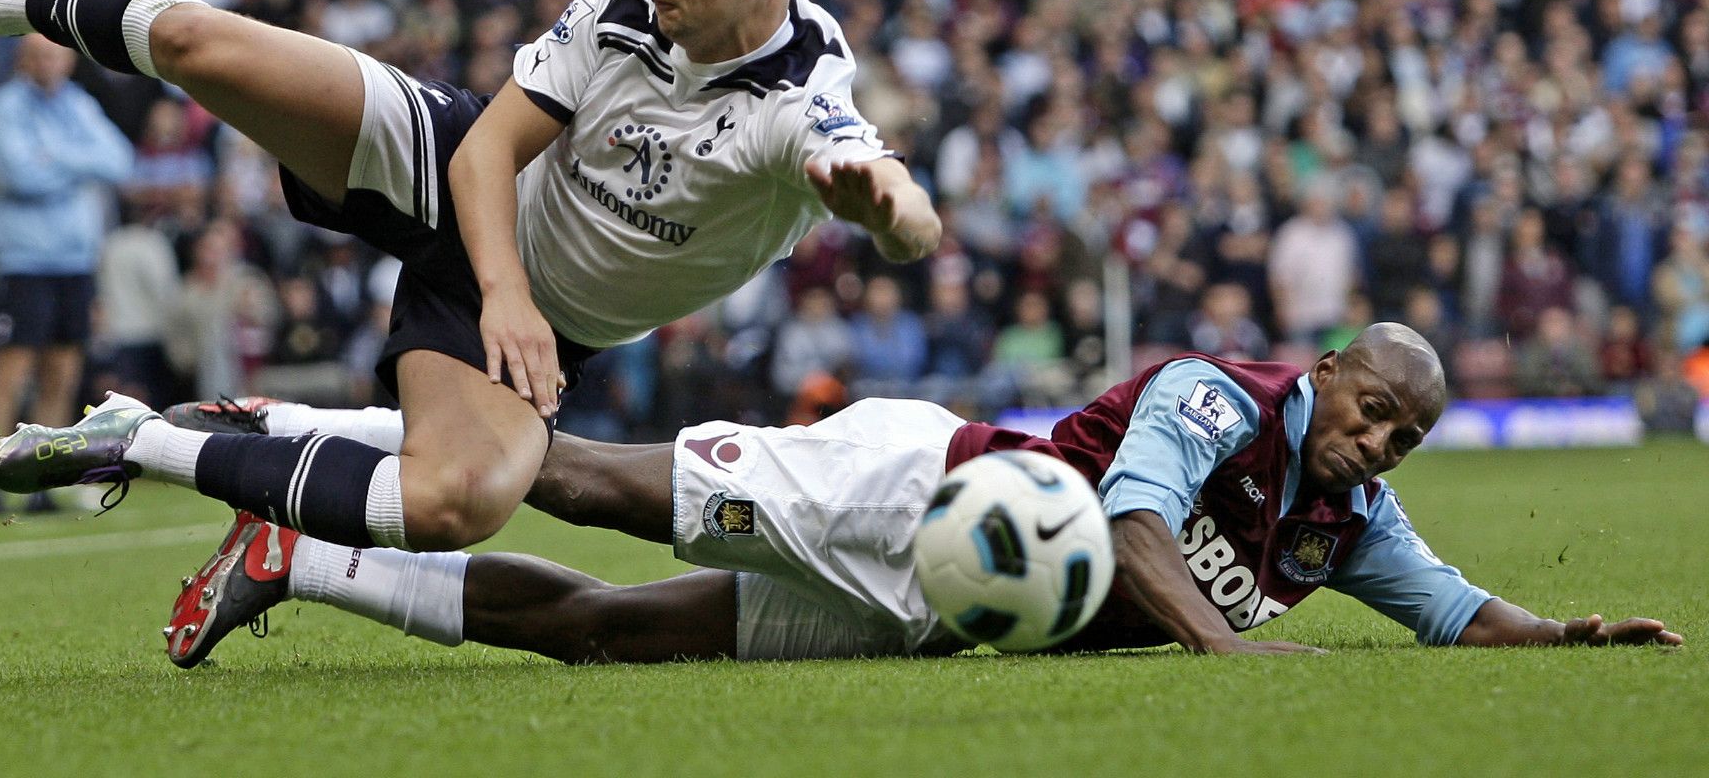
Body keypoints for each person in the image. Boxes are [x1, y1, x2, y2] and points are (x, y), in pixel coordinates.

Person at [0, 0, 940, 555]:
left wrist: (885, 214)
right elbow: (496, 143)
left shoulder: (801, 107)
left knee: (453, 507)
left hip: (544, 322)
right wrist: (504, 288)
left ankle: (142, 441)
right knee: (199, 43)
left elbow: (905, 208)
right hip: (460, 171)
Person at [149, 323, 1679, 668]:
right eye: (1373, 410)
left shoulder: (1350, 523)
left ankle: (303, 555)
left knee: (617, 638)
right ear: (1329, 371)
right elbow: (1135, 522)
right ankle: (289, 425)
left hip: (947, 616)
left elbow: (1453, 610)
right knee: (607, 488)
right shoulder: (1221, 398)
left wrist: (1561, 646)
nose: (1381, 443)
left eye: (1407, 436)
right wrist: (1226, 655)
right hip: (911, 494)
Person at [0, 33, 134, 512]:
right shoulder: (6, 108)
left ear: (67, 60)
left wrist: (55, 155)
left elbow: (120, 161)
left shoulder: (76, 103)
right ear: (25, 59)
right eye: (39, 54)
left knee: (61, 373)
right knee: (12, 369)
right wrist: (78, 162)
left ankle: (42, 479)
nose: (49, 62)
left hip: (74, 258)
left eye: (56, 54)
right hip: (24, 259)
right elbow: (21, 174)